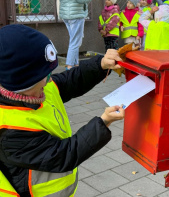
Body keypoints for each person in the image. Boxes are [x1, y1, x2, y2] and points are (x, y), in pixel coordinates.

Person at [0, 24, 125, 196]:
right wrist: (103, 122)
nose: (48, 80)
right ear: (23, 82)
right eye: (44, 76)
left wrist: (101, 64)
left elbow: (71, 80)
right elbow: (62, 155)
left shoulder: (39, 89)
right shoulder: (8, 130)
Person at [58, 0, 96, 70]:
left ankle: (75, 64)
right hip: (76, 15)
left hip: (66, 16)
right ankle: (69, 65)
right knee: (75, 42)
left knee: (74, 40)